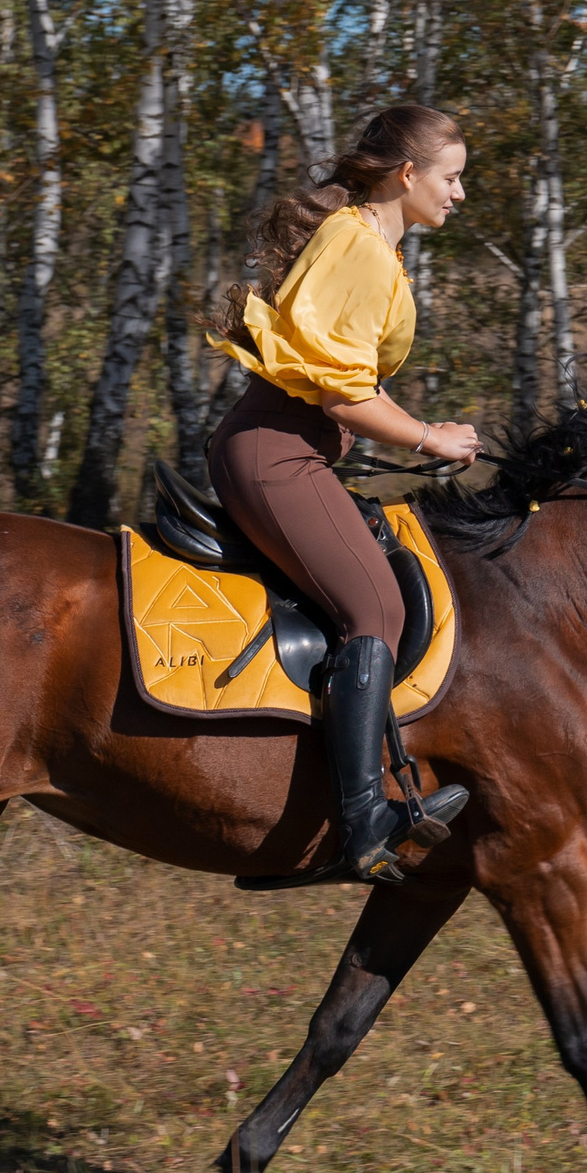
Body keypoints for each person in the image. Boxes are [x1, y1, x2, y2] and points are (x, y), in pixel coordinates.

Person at [205, 105, 483, 883]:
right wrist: (430, 436)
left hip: (290, 454)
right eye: (451, 178)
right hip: (277, 454)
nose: (459, 194)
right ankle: (361, 822)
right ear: (408, 175)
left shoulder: (375, 246)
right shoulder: (361, 246)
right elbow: (342, 399)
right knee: (379, 608)